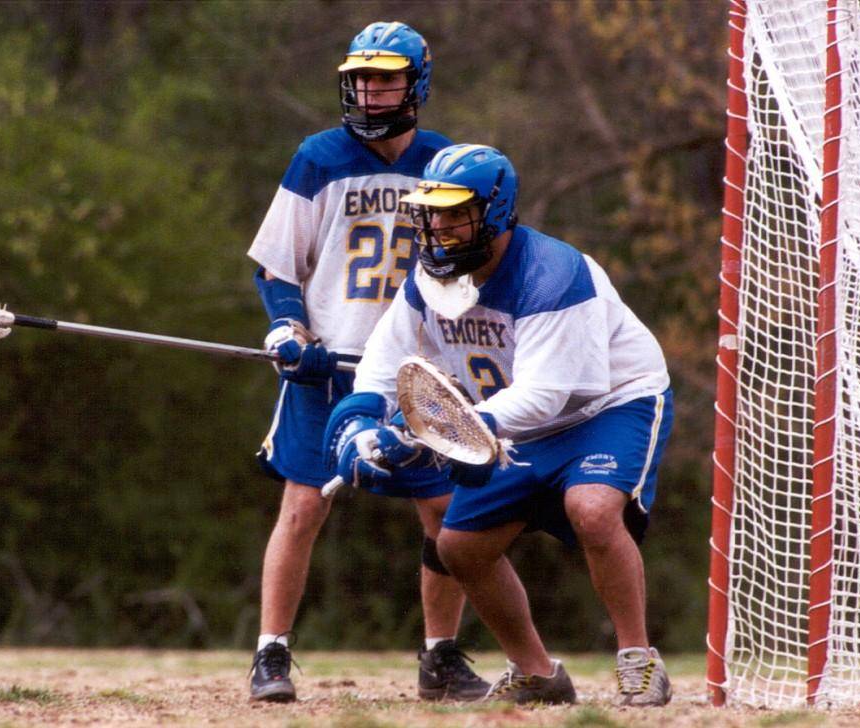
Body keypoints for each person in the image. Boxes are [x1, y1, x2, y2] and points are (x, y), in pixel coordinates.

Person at [328, 143, 674, 706]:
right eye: (431, 213)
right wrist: (363, 419)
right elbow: (385, 357)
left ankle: (638, 659)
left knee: (591, 509)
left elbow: (545, 394)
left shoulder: (554, 274)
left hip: (607, 407)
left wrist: (447, 433)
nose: (438, 226)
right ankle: (536, 672)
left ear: (494, 211)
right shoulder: (430, 277)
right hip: (510, 419)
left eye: (453, 212)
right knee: (459, 547)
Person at [246, 21, 488, 703]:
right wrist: (287, 326)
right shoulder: (317, 158)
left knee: (443, 511)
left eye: (385, 80)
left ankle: (439, 656)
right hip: (327, 365)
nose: (370, 92)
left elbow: (469, 265)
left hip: (417, 372)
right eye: (360, 80)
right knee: (303, 505)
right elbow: (276, 265)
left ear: (415, 84)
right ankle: (270, 653)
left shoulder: (445, 166)